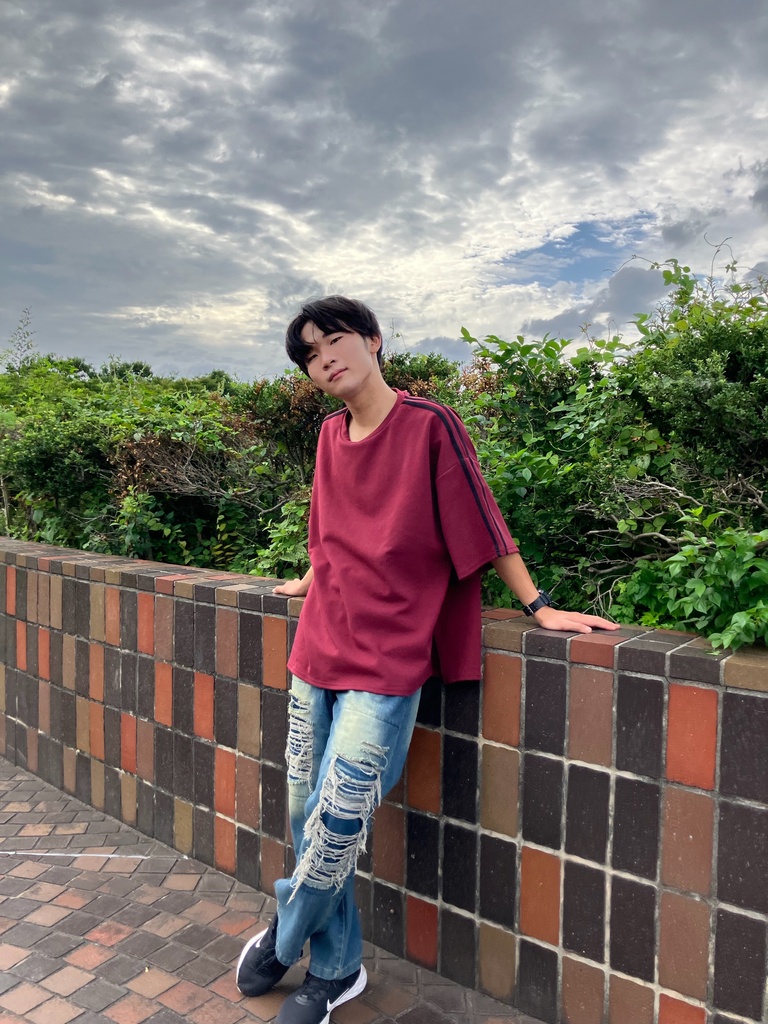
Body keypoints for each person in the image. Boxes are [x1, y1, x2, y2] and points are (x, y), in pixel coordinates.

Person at [236, 296, 618, 1024]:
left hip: (389, 653)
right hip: (318, 642)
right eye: (310, 355)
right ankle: (337, 971)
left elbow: (482, 519)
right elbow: (328, 525)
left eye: (335, 340)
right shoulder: (328, 435)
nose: (325, 359)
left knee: (339, 816)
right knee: (304, 808)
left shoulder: (429, 423)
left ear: (374, 340)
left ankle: (284, 938)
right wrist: (309, 578)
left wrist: (539, 606)